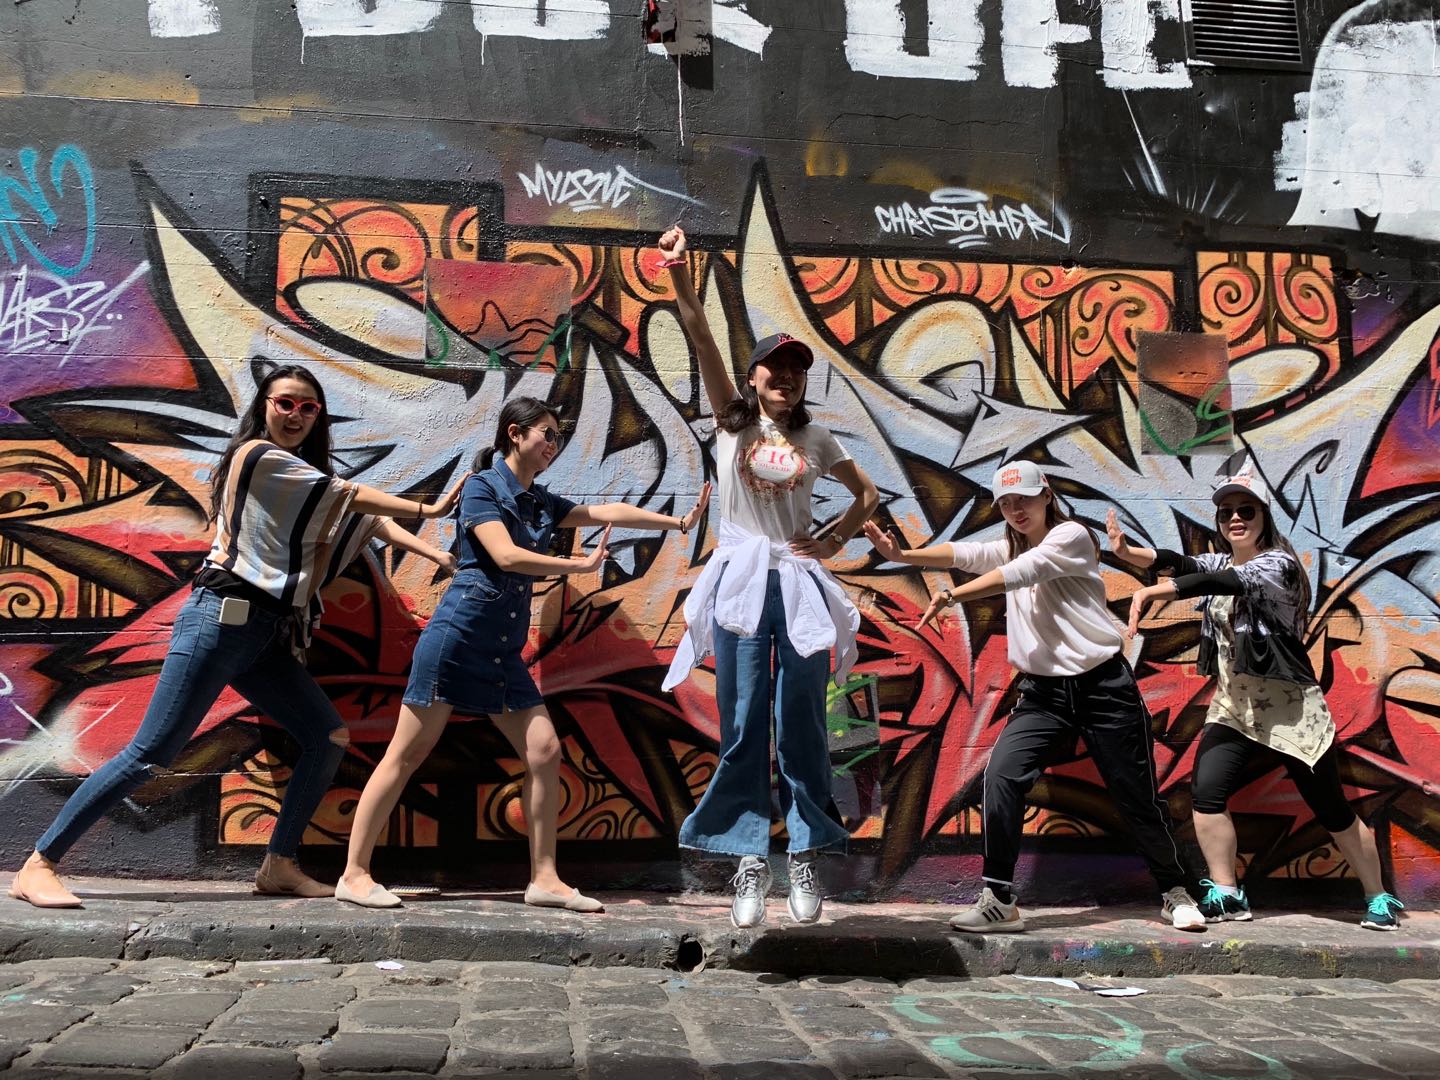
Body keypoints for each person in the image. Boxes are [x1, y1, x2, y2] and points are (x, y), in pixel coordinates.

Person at [9, 364, 461, 909]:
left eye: (308, 407)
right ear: (263, 406)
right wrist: (429, 507)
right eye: (284, 403)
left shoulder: (301, 481)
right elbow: (348, 496)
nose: (295, 415)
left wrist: (434, 552)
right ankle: (40, 863)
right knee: (152, 751)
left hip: (265, 633)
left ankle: (279, 866)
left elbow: (360, 519)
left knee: (325, 736)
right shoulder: (257, 457)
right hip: (220, 621)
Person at [337, 395, 710, 911]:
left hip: (501, 651)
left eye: (559, 436)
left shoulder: (539, 501)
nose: (554, 444)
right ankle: (354, 874)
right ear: (515, 433)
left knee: (544, 750)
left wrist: (679, 523)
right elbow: (505, 555)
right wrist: (578, 568)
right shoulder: (482, 488)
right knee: (406, 754)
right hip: (458, 640)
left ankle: (544, 879)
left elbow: (605, 511)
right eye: (547, 434)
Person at [863, 460, 1206, 933]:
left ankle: (1174, 891)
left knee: (1136, 797)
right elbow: (965, 554)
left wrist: (955, 597)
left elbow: (1021, 573)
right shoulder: (1010, 544)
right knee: (1001, 777)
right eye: (1005, 503)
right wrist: (904, 555)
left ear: (1046, 494)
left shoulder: (1072, 537)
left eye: (1023, 499)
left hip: (1104, 688)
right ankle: (999, 900)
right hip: (1044, 695)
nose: (1015, 510)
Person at [658, 227, 879, 929]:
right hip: (740, 585)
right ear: (753, 377)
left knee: (804, 724)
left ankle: (805, 854)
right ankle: (751, 859)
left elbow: (868, 496)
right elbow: (699, 333)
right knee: (744, 720)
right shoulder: (733, 426)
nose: (785, 377)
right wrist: (679, 272)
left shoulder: (817, 439)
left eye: (795, 370)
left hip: (798, 582)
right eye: (773, 368)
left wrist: (833, 539)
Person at [1114, 466, 1404, 930]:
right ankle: (1228, 894)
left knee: (1331, 809)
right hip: (1235, 706)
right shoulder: (1219, 561)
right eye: (1226, 512)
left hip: (1292, 711)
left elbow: (1222, 583)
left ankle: (1379, 897)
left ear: (1264, 516)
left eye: (1246, 510)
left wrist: (1155, 591)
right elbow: (1182, 563)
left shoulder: (1278, 565)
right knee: (1206, 795)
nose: (1235, 518)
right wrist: (1129, 552)